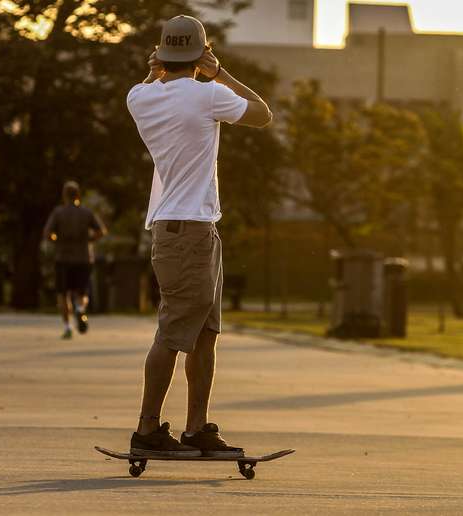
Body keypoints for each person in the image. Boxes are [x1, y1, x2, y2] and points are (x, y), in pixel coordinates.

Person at [125, 15, 272, 458]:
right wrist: (220, 72)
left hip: (190, 229)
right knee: (173, 333)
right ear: (201, 53)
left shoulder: (140, 96)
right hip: (188, 230)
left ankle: (196, 429)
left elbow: (148, 83)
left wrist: (156, 70)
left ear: (161, 54)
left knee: (204, 332)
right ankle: (147, 430)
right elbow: (263, 114)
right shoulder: (209, 94)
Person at [43, 181, 107, 339]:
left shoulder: (58, 213)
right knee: (82, 291)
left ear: (64, 195)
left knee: (62, 294)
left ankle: (67, 327)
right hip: (84, 258)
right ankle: (80, 309)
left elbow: (47, 233)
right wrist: (90, 239)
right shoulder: (86, 213)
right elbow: (101, 231)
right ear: (78, 195)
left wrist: (56, 239)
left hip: (63, 258)